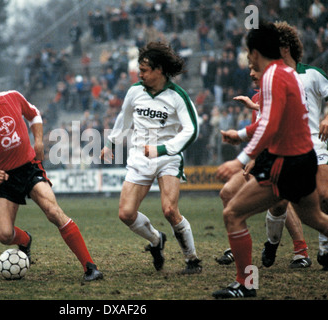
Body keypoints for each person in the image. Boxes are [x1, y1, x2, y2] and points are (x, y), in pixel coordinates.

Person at [0, 66, 103, 282]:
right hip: (4, 179)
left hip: (29, 168)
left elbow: (34, 115)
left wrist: (38, 140)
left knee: (53, 211)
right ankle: (25, 239)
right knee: (4, 235)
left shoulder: (13, 97)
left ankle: (90, 267)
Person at [212, 21, 328, 299]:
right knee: (316, 217)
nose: (248, 58)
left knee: (233, 213)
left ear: (255, 52)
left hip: (285, 163)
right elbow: (269, 120)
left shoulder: (272, 76)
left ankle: (245, 284)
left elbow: (270, 125)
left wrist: (239, 160)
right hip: (303, 160)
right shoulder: (286, 73)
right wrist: (239, 134)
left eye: (249, 52)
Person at [100, 42, 202, 274]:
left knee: (169, 210)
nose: (140, 74)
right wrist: (110, 143)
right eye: (140, 69)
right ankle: (157, 240)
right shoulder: (135, 92)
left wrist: (165, 149)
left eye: (144, 70)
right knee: (126, 213)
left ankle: (192, 260)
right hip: (139, 158)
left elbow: (191, 130)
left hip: (168, 158)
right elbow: (123, 120)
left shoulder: (178, 96)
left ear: (159, 70)